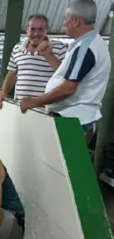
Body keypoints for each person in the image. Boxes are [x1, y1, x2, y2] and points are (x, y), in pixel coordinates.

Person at [20, 0, 110, 146]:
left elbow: (68, 88)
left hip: (74, 120)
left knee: (64, 166)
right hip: (75, 118)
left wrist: (34, 102)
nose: (63, 23)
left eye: (65, 19)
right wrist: (49, 56)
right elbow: (67, 75)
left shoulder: (85, 48)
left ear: (76, 21)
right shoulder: (88, 43)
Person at [0, 14, 67, 109]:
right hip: (21, 109)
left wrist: (49, 55)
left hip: (47, 111)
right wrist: (3, 92)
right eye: (33, 29)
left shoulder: (60, 47)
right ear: (26, 29)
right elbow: (12, 73)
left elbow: (66, 74)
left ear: (47, 29)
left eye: (40, 29)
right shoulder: (17, 48)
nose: (36, 33)